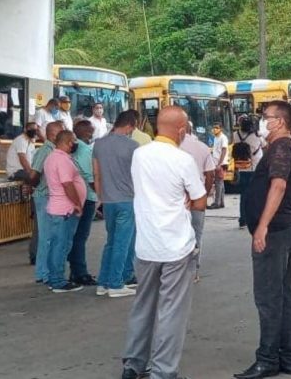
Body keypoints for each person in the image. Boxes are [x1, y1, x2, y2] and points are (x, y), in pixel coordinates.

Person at [122, 106, 207, 379]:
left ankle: (133, 364)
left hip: (146, 244)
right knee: (171, 311)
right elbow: (200, 200)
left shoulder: (139, 154)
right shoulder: (182, 160)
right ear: (182, 130)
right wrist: (185, 198)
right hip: (176, 246)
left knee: (142, 304)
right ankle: (163, 371)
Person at [235, 100, 291, 379]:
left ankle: (268, 359)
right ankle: (288, 356)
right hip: (284, 229)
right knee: (284, 294)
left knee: (269, 297)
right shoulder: (280, 147)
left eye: (266, 117)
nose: (262, 121)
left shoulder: (281, 147)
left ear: (280, 122)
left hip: (276, 231)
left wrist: (262, 226)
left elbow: (278, 184)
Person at [93, 111, 140, 298]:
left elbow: (96, 174)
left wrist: (100, 197)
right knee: (123, 243)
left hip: (108, 200)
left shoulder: (99, 144)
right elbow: (139, 174)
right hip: (127, 199)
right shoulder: (133, 146)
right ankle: (116, 283)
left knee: (111, 242)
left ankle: (103, 283)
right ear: (129, 126)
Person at [43, 130, 86, 293]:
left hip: (58, 208)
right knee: (61, 246)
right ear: (68, 142)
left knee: (56, 245)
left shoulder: (53, 157)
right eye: (73, 141)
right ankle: (58, 281)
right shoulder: (61, 160)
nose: (75, 145)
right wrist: (77, 204)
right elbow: (68, 184)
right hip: (65, 210)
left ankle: (54, 277)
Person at [180, 121, 216, 277]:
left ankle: (177, 269)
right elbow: (210, 174)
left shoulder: (172, 148)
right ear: (191, 130)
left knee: (177, 233)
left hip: (177, 198)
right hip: (197, 197)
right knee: (196, 233)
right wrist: (205, 193)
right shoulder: (202, 147)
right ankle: (193, 271)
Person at [29, 121, 64, 281]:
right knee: (45, 237)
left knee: (52, 236)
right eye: (61, 133)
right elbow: (34, 174)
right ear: (53, 134)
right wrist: (39, 187)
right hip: (44, 196)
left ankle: (47, 271)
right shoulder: (45, 151)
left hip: (51, 196)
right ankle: (43, 273)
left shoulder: (54, 150)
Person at [67, 120, 98, 286]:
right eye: (90, 132)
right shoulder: (84, 149)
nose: (92, 135)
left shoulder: (71, 148)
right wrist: (102, 194)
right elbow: (89, 175)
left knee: (75, 236)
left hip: (76, 195)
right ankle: (79, 272)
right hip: (87, 197)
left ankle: (75, 270)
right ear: (85, 132)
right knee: (80, 237)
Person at [235, 114, 266, 227]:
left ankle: (242, 219)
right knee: (255, 194)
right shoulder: (257, 136)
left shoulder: (235, 135)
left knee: (243, 195)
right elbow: (265, 144)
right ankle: (254, 217)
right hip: (254, 168)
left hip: (241, 168)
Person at [208, 122, 229, 209]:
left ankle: (217, 203)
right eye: (214, 127)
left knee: (218, 183)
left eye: (216, 128)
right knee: (221, 183)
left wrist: (219, 164)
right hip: (216, 162)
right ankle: (221, 202)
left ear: (221, 129)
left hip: (220, 163)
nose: (214, 129)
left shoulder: (223, 138)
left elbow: (224, 151)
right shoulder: (216, 138)